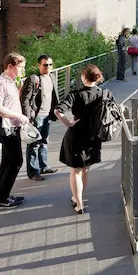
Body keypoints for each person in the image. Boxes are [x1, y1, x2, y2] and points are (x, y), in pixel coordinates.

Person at [55, 64, 112, 214]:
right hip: (95, 136)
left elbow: (58, 111)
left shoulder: (75, 94)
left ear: (83, 77)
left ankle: (79, 203)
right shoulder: (104, 93)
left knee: (75, 171)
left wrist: (69, 123)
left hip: (77, 135)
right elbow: (115, 110)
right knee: (86, 169)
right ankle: (78, 198)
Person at [0, 53, 30, 210]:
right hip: (8, 128)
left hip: (12, 127)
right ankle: (1, 200)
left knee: (7, 162)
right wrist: (19, 115)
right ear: (10, 66)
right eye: (21, 67)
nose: (23, 70)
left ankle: (2, 196)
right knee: (15, 162)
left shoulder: (10, 82)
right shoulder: (1, 83)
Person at [20, 54, 60, 181]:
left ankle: (43, 166)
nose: (48, 67)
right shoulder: (34, 79)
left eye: (50, 64)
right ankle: (33, 172)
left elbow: (54, 96)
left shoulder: (52, 77)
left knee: (44, 142)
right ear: (39, 65)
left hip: (47, 115)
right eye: (45, 65)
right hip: (37, 116)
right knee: (34, 144)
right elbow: (25, 99)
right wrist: (28, 117)